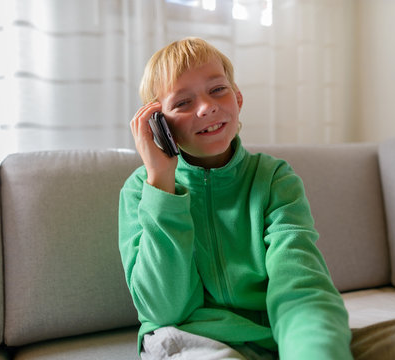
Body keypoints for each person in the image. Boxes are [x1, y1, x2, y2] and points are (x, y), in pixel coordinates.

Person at [118, 37, 354, 359]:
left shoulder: (274, 180)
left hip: (268, 337)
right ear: (159, 125)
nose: (207, 107)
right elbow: (164, 309)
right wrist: (162, 185)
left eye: (217, 90)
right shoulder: (140, 191)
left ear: (238, 98)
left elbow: (300, 288)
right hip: (185, 339)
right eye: (183, 103)